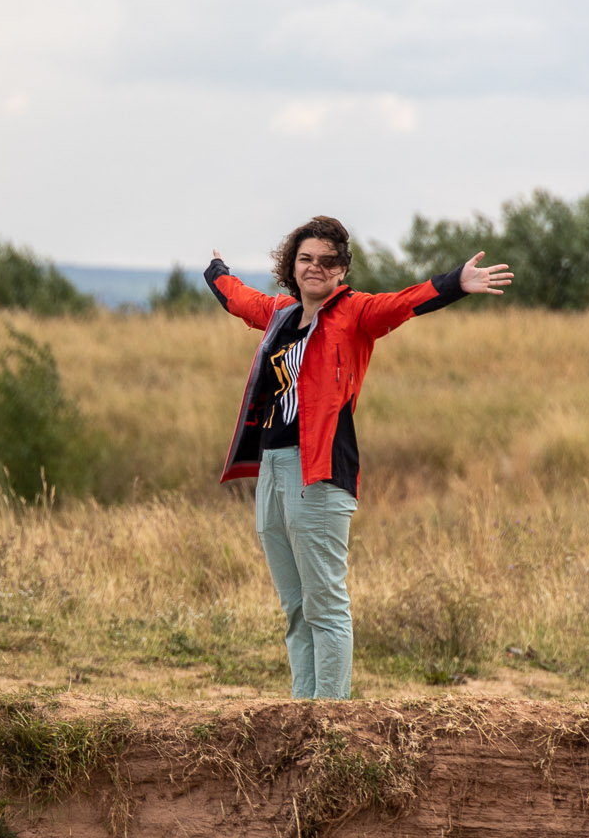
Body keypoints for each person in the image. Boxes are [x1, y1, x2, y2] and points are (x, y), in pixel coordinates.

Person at [203, 217, 512, 699]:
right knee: (296, 608)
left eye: (328, 261)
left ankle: (330, 719)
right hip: (273, 469)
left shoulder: (355, 313)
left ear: (342, 270)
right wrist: (216, 270)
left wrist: (457, 283)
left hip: (320, 472)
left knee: (324, 606)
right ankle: (303, 711)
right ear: (292, 265)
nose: (315, 268)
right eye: (306, 258)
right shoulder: (282, 313)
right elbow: (241, 302)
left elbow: (403, 303)